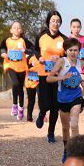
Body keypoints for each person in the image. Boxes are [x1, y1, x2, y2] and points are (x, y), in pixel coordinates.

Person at [47, 37, 84, 162]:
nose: (73, 52)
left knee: (74, 124)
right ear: (66, 50)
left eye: (76, 50)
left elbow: (80, 79)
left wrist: (83, 83)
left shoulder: (81, 63)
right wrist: (62, 77)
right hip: (63, 98)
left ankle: (75, 153)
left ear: (79, 51)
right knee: (65, 128)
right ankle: (66, 150)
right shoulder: (62, 62)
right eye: (70, 50)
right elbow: (49, 78)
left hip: (76, 96)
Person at [35, 11, 68, 144]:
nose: (55, 23)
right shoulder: (41, 36)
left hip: (58, 76)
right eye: (53, 20)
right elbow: (35, 50)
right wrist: (40, 58)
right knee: (45, 103)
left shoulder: (64, 39)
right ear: (48, 22)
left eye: (58, 21)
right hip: (43, 74)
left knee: (55, 105)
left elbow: (68, 56)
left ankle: (51, 133)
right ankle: (42, 113)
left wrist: (60, 58)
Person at [0, 22, 31, 121]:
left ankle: (21, 108)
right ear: (11, 30)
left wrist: (25, 51)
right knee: (15, 83)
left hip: (22, 67)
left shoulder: (23, 40)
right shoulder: (7, 40)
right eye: (14, 27)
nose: (16, 29)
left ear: (21, 30)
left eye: (19, 28)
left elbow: (32, 49)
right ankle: (14, 104)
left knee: (20, 88)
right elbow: (2, 48)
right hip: (10, 65)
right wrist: (3, 53)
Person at [24, 50, 42, 123]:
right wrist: (31, 65)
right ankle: (29, 117)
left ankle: (42, 116)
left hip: (39, 81)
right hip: (30, 81)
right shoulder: (30, 57)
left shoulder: (44, 58)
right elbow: (24, 67)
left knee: (41, 99)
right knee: (31, 100)